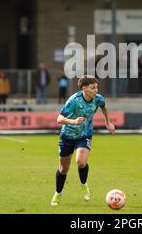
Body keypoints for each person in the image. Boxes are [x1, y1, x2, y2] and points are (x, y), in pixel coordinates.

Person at [50, 75, 116, 206]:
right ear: (84, 88)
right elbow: (59, 119)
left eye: (96, 87)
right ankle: (58, 193)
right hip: (67, 136)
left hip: (85, 134)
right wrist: (73, 121)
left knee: (81, 162)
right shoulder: (74, 100)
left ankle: (84, 185)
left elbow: (103, 106)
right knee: (63, 169)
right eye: (93, 88)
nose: (96, 90)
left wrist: (108, 122)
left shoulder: (98, 99)